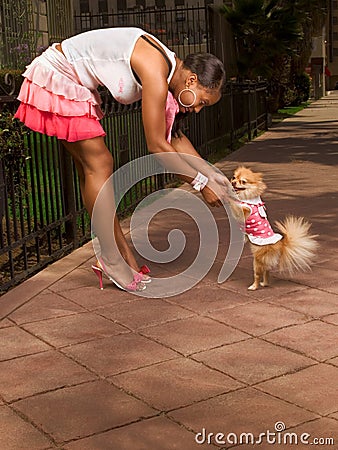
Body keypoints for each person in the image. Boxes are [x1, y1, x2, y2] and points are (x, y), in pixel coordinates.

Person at [14, 27, 234, 292]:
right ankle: (111, 258)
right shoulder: (156, 70)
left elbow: (174, 138)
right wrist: (201, 185)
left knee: (93, 169)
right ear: (191, 80)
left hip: (72, 82)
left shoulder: (167, 74)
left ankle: (119, 258)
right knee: (100, 164)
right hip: (57, 76)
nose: (198, 110)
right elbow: (156, 146)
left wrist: (213, 176)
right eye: (203, 102)